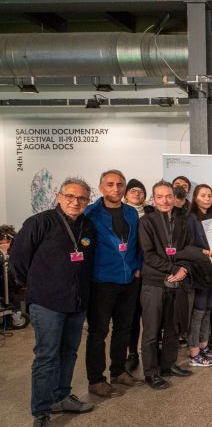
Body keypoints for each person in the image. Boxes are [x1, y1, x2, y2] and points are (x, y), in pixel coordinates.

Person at [12, 177, 97, 427]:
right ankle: (41, 413)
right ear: (59, 196)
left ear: (88, 201)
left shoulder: (87, 225)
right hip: (47, 303)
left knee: (69, 352)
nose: (75, 202)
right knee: (47, 357)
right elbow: (18, 260)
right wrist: (36, 286)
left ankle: (61, 396)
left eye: (82, 198)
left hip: (76, 302)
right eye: (70, 196)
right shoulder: (39, 223)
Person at [83, 170, 144, 398]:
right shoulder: (91, 213)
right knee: (98, 332)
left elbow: (137, 243)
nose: (115, 188)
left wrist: (138, 266)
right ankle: (96, 380)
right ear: (101, 188)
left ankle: (118, 372)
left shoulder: (131, 213)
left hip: (129, 280)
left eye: (120, 184)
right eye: (110, 184)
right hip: (102, 281)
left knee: (123, 328)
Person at [138, 181, 199, 390]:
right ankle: (151, 372)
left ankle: (168, 365)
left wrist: (183, 269)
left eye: (169, 196)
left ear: (174, 197)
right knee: (152, 330)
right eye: (160, 197)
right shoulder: (146, 222)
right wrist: (173, 269)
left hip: (177, 282)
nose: (165, 200)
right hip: (154, 283)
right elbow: (148, 254)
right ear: (153, 199)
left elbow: (189, 249)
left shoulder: (182, 220)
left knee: (173, 327)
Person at [186, 185, 212, 365]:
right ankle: (194, 352)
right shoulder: (190, 219)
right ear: (195, 198)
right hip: (199, 270)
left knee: (208, 309)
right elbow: (187, 247)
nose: (207, 198)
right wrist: (207, 251)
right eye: (203, 195)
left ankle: (204, 346)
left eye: (210, 195)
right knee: (198, 311)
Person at [122, 178, 154, 374]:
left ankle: (150, 352)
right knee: (132, 316)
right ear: (126, 195)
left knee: (151, 316)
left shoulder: (151, 213)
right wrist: (135, 266)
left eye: (140, 191)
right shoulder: (121, 213)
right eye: (133, 190)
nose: (137, 193)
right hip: (131, 274)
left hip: (150, 271)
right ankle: (132, 353)